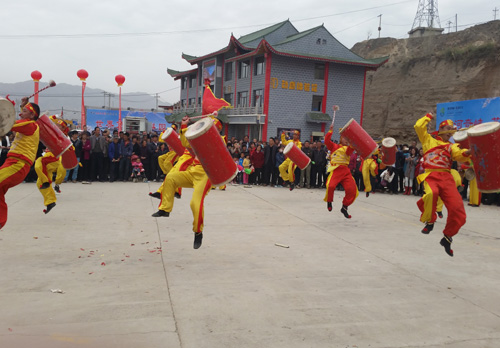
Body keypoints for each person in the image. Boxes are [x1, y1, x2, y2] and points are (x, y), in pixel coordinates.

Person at [152, 115, 216, 249]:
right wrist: (184, 125)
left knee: (195, 204)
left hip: (204, 176)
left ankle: (198, 232)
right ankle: (165, 209)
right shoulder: (196, 140)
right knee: (171, 177)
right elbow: (185, 143)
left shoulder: (217, 141)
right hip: (192, 171)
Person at [414, 114, 471, 256]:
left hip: (446, 178)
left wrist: (471, 150)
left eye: (452, 129)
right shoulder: (428, 140)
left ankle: (447, 237)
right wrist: (428, 117)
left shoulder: (452, 146)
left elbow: (461, 154)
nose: (450, 131)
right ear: (441, 129)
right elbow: (418, 127)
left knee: (458, 210)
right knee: (431, 194)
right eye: (448, 128)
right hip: (431, 175)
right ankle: (430, 221)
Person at [0, 98, 40, 229]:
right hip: (12, 163)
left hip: (18, 164)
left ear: (32, 115)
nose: (20, 113)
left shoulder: (31, 125)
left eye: (23, 111)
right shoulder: (28, 124)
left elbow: (8, 124)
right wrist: (24, 106)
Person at [323, 125, 358, 218]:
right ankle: (329, 201)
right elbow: (326, 141)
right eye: (344, 138)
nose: (346, 140)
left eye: (347, 139)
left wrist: (354, 138)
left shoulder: (348, 148)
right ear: (340, 139)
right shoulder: (334, 146)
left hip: (346, 171)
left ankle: (344, 207)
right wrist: (330, 131)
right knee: (330, 186)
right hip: (336, 169)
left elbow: (352, 148)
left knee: (352, 190)